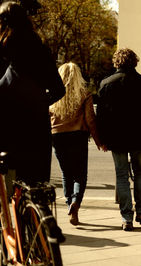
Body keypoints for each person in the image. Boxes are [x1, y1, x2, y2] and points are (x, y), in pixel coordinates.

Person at [0, 1, 65, 186]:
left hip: (7, 127)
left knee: (8, 187)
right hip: (37, 128)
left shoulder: (3, 49)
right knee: (36, 187)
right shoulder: (40, 49)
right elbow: (59, 89)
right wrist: (40, 102)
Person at [96, 48, 141, 231]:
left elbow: (101, 116)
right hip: (138, 136)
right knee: (140, 172)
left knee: (121, 175)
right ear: (135, 62)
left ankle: (126, 217)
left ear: (116, 62)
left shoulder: (106, 83)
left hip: (116, 138)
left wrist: (102, 139)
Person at [49, 62, 102, 225]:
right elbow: (90, 120)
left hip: (57, 136)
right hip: (78, 136)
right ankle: (75, 203)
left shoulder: (53, 94)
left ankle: (68, 202)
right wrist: (99, 140)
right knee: (80, 174)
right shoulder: (84, 94)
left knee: (66, 173)